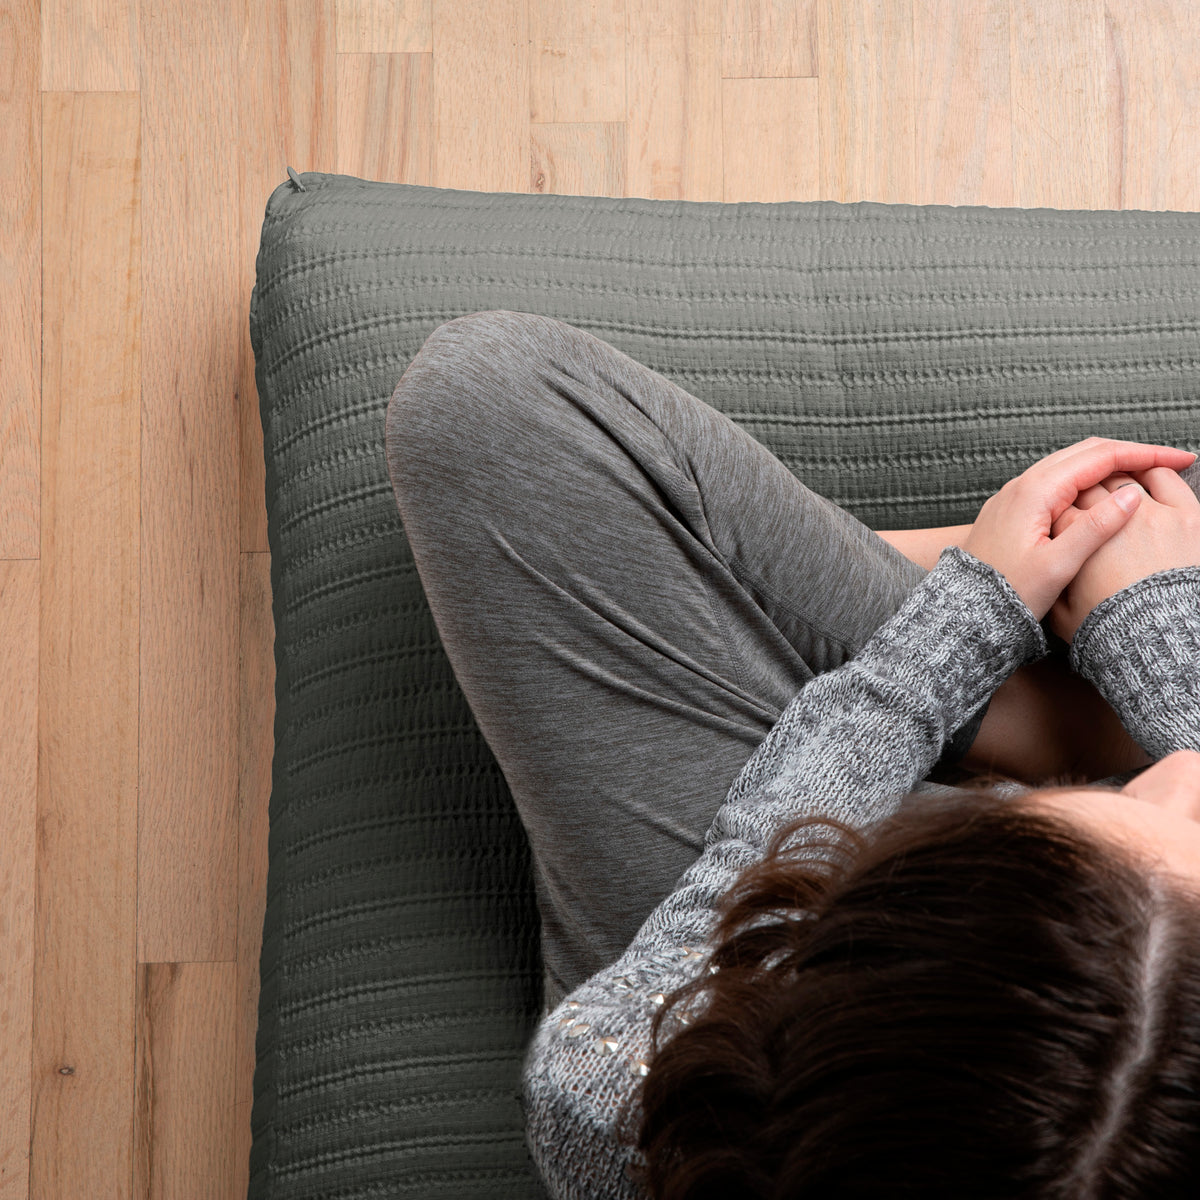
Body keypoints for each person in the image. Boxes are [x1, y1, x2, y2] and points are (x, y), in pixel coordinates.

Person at [384, 309, 1200, 1198]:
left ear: (874, 910)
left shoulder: (625, 1104)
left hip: (731, 970)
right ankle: (1043, 688)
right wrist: (1169, 665)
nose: (1187, 772)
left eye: (1123, 803)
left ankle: (1024, 680)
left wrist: (962, 625)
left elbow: (746, 886)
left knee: (488, 403)